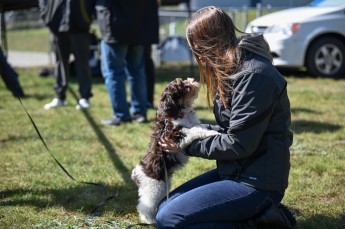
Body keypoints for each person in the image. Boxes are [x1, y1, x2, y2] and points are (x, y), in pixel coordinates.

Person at [157, 6, 295, 229]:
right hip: (234, 172)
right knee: (163, 208)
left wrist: (186, 145)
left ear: (209, 43)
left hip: (257, 183)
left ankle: (261, 223)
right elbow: (231, 129)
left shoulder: (254, 76)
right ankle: (256, 218)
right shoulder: (232, 70)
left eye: (197, 49)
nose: (198, 57)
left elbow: (238, 144)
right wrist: (185, 132)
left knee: (170, 220)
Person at [95, 0, 159, 125]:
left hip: (114, 24)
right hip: (140, 25)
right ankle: (140, 113)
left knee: (114, 73)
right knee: (137, 72)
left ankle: (121, 115)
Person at [39, 0, 94, 110]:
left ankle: (85, 97)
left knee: (82, 63)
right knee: (60, 63)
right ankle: (60, 97)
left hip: (79, 26)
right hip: (57, 25)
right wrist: (46, 14)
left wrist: (86, 16)